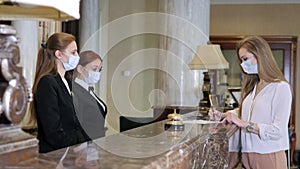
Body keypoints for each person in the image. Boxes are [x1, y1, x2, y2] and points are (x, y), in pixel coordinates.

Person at [209, 36, 292, 169]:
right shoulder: (253, 87)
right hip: (248, 156)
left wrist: (241, 123)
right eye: (241, 60)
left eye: (245, 59)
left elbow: (278, 130)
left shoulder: (280, 87)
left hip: (269, 155)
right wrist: (223, 115)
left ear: (260, 55)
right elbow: (244, 111)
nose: (243, 65)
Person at [29, 32, 88, 153]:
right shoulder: (47, 83)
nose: (77, 56)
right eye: (73, 52)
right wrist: (76, 148)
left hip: (72, 153)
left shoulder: (67, 80)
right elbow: (53, 132)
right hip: (55, 155)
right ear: (58, 54)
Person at [72, 50, 107, 140]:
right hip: (85, 144)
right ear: (80, 69)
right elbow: (77, 123)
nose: (97, 73)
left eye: (100, 70)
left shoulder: (88, 89)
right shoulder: (75, 90)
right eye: (94, 69)